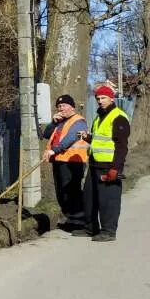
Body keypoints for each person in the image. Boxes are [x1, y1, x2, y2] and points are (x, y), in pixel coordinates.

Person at [76, 84, 130, 242]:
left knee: (109, 200)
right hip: (94, 164)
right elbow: (101, 140)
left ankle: (108, 231)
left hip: (109, 166)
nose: (100, 101)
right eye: (98, 98)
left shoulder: (118, 117)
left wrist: (115, 169)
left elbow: (121, 146)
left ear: (111, 98)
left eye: (103, 98)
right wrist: (87, 137)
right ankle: (90, 228)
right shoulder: (99, 117)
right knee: (89, 198)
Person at [41, 94, 88, 228]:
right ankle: (71, 219)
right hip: (60, 160)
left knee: (72, 191)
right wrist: (53, 123)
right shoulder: (60, 122)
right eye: (58, 106)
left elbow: (71, 138)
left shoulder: (78, 121)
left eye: (63, 106)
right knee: (61, 192)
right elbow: (46, 134)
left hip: (73, 161)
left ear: (72, 107)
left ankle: (79, 220)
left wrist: (54, 150)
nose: (60, 109)